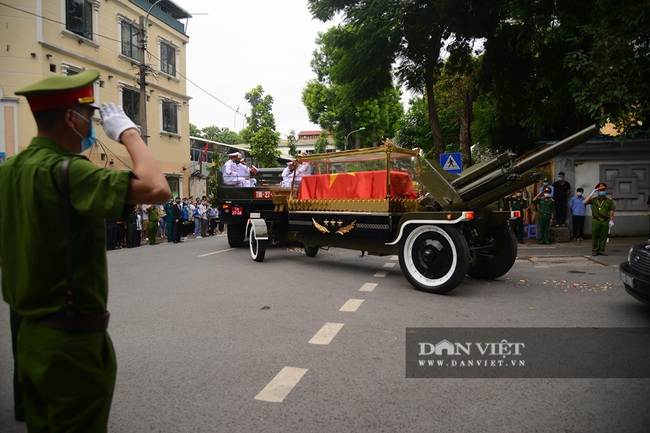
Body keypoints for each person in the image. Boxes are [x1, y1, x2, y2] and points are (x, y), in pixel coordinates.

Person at [0, 70, 171, 432]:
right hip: (69, 342)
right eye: (89, 116)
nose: (92, 123)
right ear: (69, 118)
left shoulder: (9, 170)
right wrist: (128, 133)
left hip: (27, 336)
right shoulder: (70, 171)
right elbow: (157, 188)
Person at [583, 182, 615, 256]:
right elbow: (584, 202)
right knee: (595, 236)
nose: (602, 191)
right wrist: (591, 194)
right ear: (597, 191)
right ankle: (595, 250)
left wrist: (612, 220)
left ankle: (602, 250)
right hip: (596, 220)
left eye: (603, 190)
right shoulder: (594, 199)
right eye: (600, 190)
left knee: (603, 236)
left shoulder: (608, 200)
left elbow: (611, 211)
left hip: (605, 221)